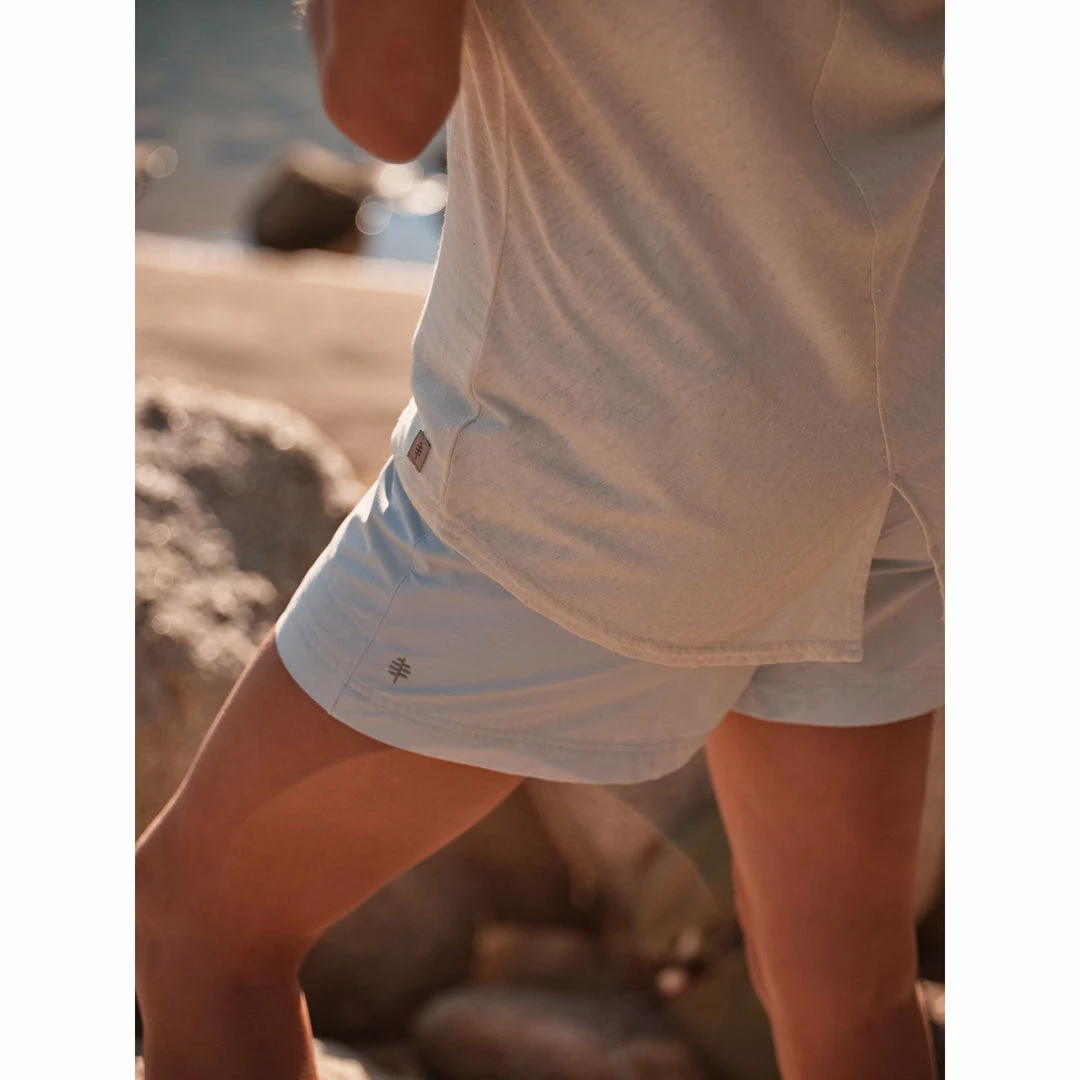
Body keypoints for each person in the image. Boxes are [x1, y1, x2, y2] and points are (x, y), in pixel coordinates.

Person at [135, 1, 944, 1078]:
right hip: (907, 423)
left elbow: (383, 103)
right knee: (848, 990)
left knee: (193, 925)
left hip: (611, 447)